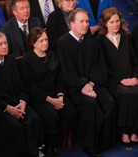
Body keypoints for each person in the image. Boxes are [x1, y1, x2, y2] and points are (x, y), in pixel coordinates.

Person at [56, 8, 115, 157]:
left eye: (87, 21)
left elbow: (99, 66)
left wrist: (91, 84)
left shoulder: (91, 41)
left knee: (109, 101)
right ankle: (89, 145)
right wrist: (83, 84)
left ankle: (104, 142)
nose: (85, 24)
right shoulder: (62, 43)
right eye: (81, 21)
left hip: (93, 84)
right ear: (72, 24)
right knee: (90, 104)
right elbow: (67, 72)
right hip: (74, 88)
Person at [0, 31, 41, 157]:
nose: (5, 46)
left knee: (33, 119)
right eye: (0, 44)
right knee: (15, 127)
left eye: (6, 43)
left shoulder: (11, 60)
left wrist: (23, 101)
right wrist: (7, 108)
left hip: (17, 102)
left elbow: (22, 84)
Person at [19, 27, 76, 155]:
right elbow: (31, 87)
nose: (45, 43)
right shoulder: (27, 60)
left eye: (46, 39)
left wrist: (60, 96)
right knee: (51, 115)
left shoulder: (52, 55)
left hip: (55, 94)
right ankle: (46, 143)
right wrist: (51, 101)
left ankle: (54, 143)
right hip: (38, 97)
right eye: (41, 41)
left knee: (70, 111)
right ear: (33, 43)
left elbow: (59, 78)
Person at [98, 7, 138, 148]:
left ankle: (134, 130)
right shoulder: (100, 41)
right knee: (125, 93)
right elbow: (103, 68)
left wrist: (135, 77)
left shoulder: (127, 38)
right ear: (105, 24)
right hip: (114, 81)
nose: (115, 24)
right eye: (112, 22)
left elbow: (135, 61)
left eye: (117, 21)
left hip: (131, 79)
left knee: (135, 91)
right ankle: (125, 131)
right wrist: (120, 80)